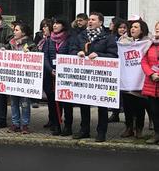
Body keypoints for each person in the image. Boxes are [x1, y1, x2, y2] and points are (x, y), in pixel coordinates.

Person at [70, 12, 118, 142]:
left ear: (101, 23)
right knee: (83, 103)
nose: (90, 22)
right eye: (89, 20)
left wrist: (99, 55)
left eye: (93, 20)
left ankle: (101, 132)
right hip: (85, 76)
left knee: (102, 105)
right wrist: (77, 52)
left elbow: (113, 55)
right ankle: (84, 129)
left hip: (100, 77)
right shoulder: (82, 36)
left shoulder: (107, 37)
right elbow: (72, 50)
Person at [119, 19, 150, 139]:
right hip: (127, 80)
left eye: (136, 27)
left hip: (140, 80)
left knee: (139, 106)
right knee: (127, 106)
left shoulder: (147, 42)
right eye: (131, 27)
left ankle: (139, 129)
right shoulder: (124, 42)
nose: (132, 29)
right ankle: (129, 127)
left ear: (142, 30)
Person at [42, 17, 70, 136]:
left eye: (58, 23)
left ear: (63, 25)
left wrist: (63, 70)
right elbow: (45, 56)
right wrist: (50, 70)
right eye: (53, 23)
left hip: (65, 75)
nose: (54, 25)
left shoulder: (69, 39)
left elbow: (71, 55)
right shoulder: (49, 40)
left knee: (65, 102)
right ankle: (56, 125)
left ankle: (67, 127)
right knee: (53, 102)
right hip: (51, 75)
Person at [7, 23, 36, 134]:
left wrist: (30, 53)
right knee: (14, 102)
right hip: (13, 77)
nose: (14, 32)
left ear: (23, 33)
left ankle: (25, 125)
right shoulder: (11, 44)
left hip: (25, 78)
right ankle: (15, 124)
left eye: (17, 30)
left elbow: (37, 56)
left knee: (24, 103)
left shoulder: (30, 44)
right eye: (14, 30)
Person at [140, 21, 159, 144]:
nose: (157, 30)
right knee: (154, 111)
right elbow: (144, 61)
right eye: (156, 28)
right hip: (152, 83)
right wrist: (151, 74)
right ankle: (157, 134)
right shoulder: (150, 44)